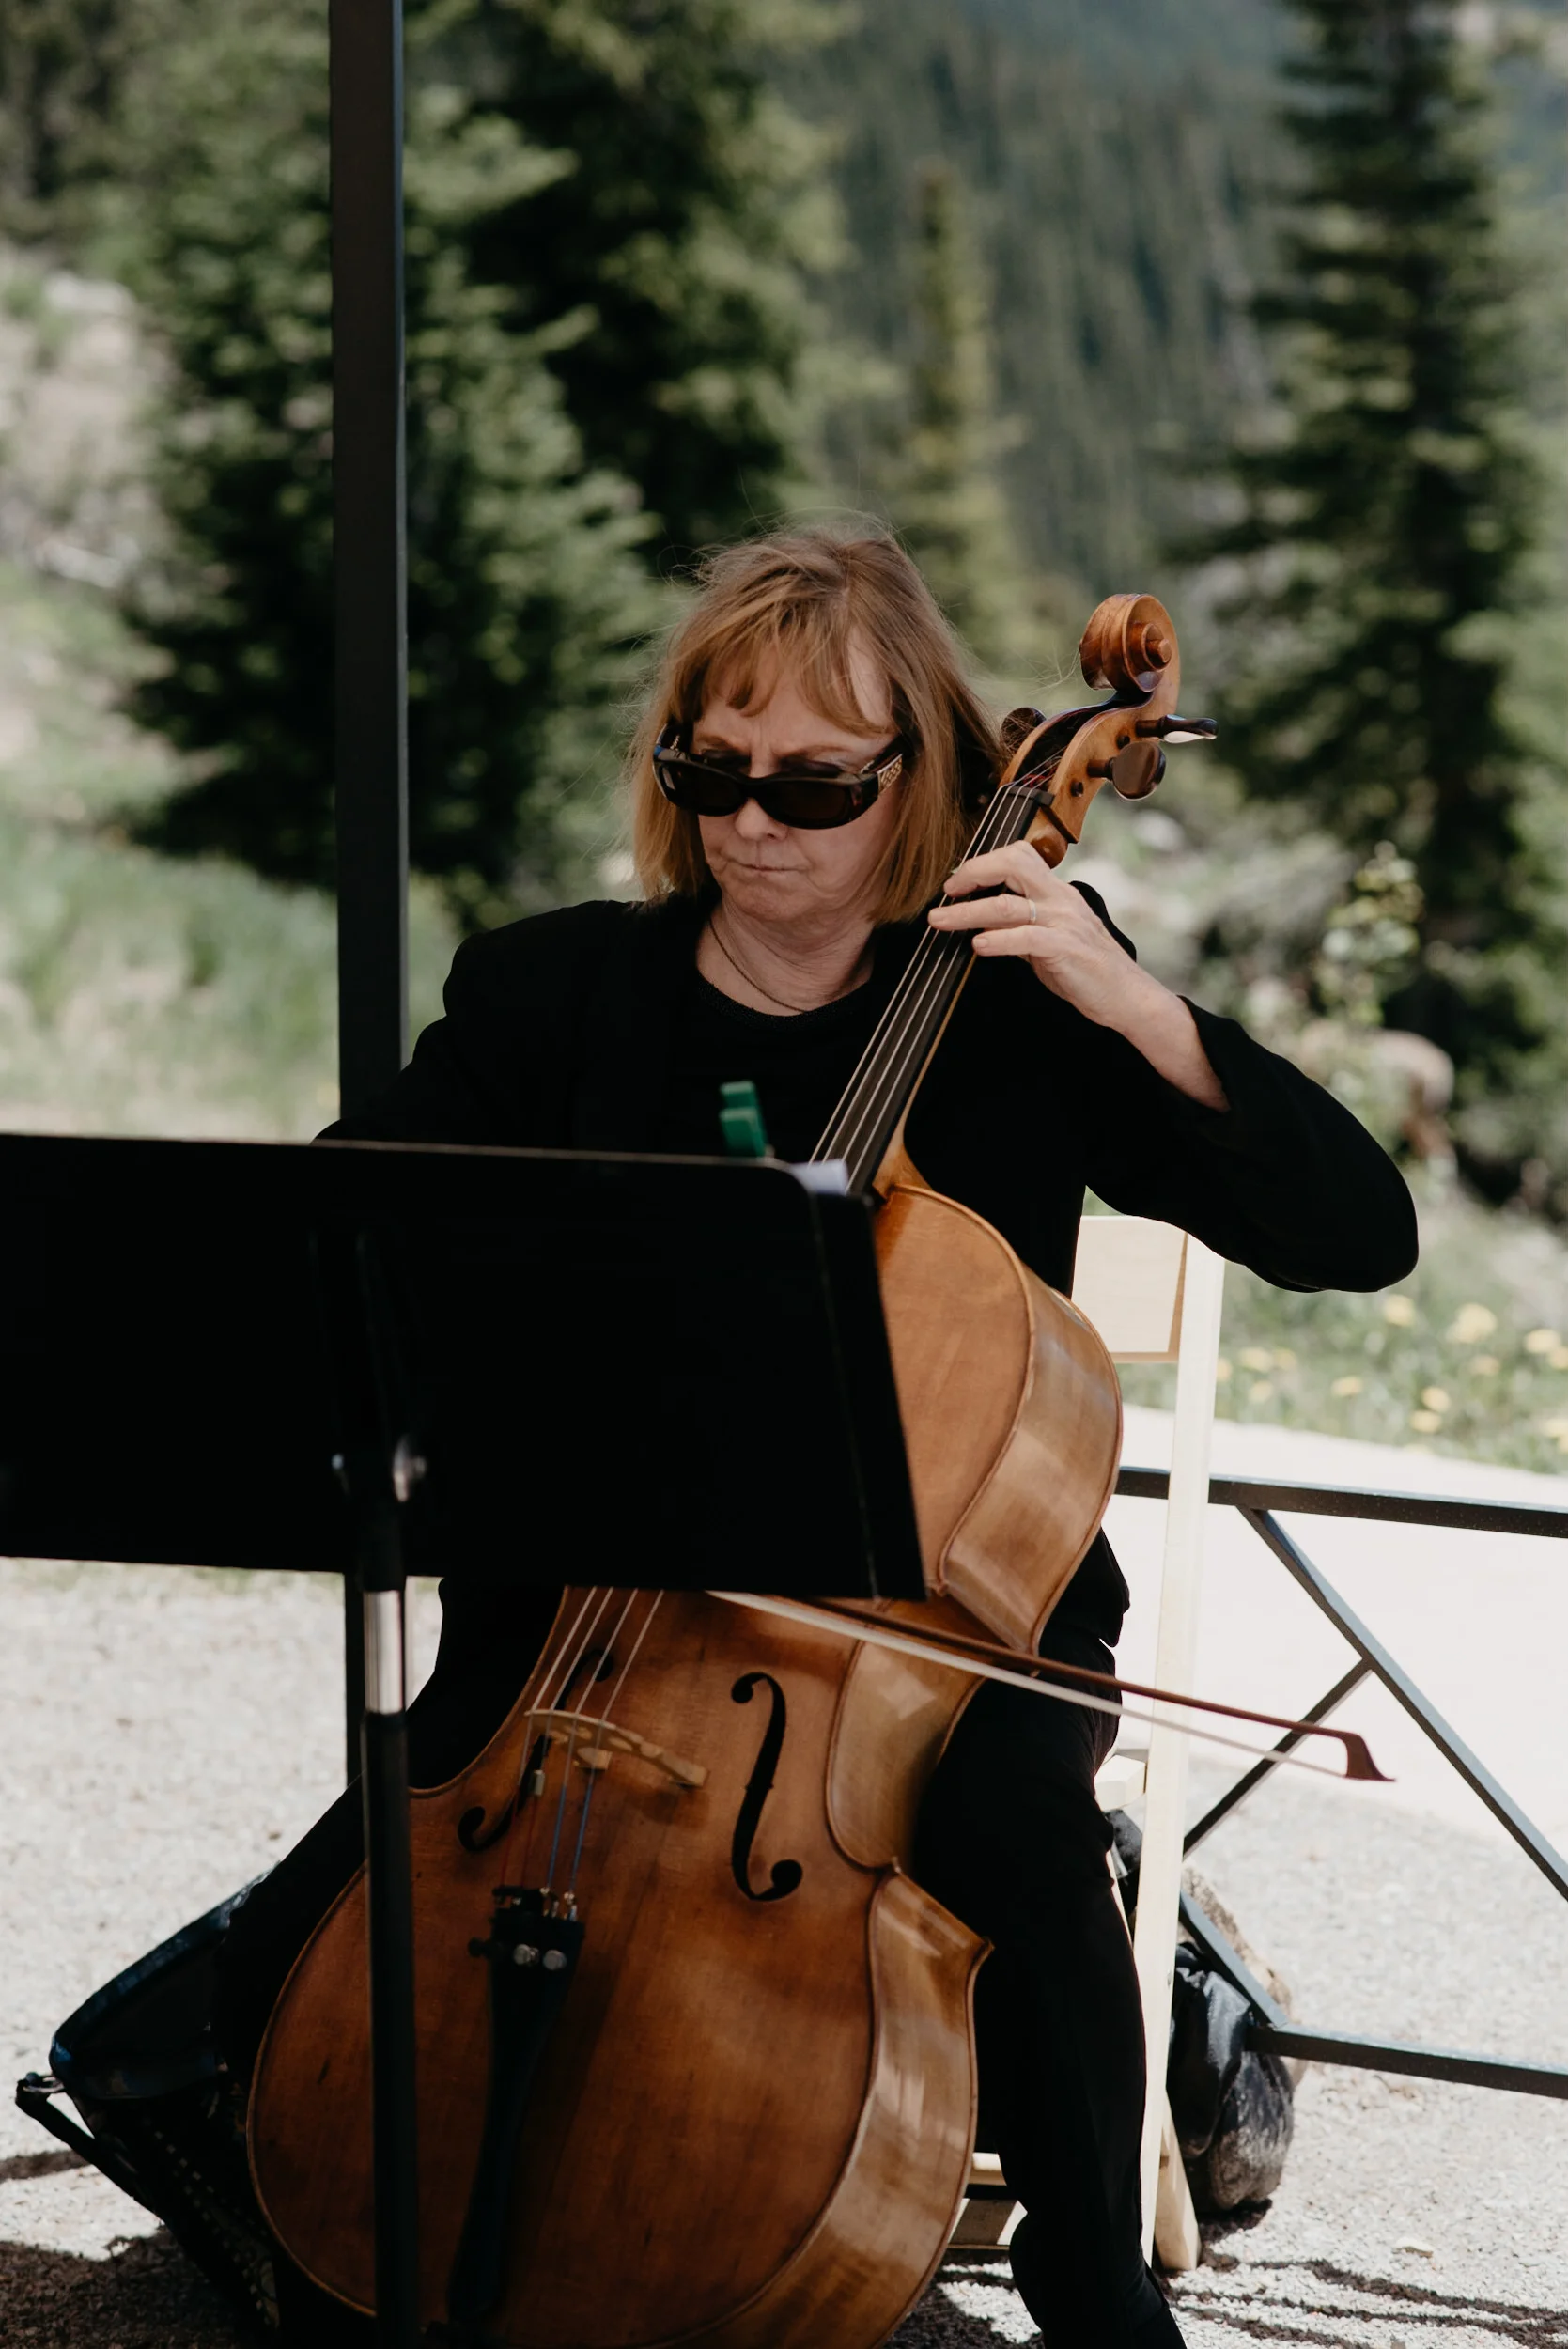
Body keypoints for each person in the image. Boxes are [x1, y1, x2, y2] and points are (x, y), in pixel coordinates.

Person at [85, 527, 1421, 2346]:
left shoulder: (1026, 1001)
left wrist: (1130, 999)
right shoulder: (558, 992)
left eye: (815, 782)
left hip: (939, 1613)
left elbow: (1358, 1234)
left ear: (925, 779)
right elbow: (351, 1234)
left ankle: (1095, 2293)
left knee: (1017, 1822)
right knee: (376, 1863)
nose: (755, 822)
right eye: (712, 773)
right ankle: (339, 2204)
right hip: (588, 1582)